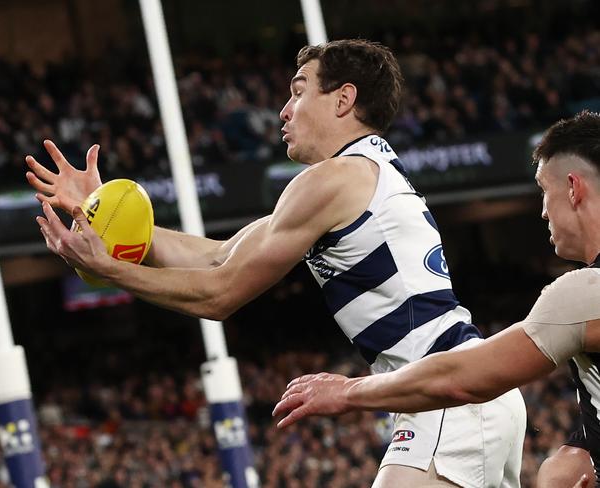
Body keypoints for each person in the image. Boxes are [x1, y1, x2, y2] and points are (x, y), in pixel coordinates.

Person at [26, 39, 526, 488]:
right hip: (458, 392)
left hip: (442, 395)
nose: (283, 110)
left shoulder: (333, 179)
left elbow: (219, 294)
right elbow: (219, 256)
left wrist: (110, 270)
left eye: (298, 91)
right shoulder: (358, 175)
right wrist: (101, 218)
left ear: (343, 99)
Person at [273, 110, 600, 486]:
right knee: (561, 471)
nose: (543, 210)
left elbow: (463, 379)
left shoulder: (584, 294)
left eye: (544, 190)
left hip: (451, 396)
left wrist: (348, 391)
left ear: (573, 188)